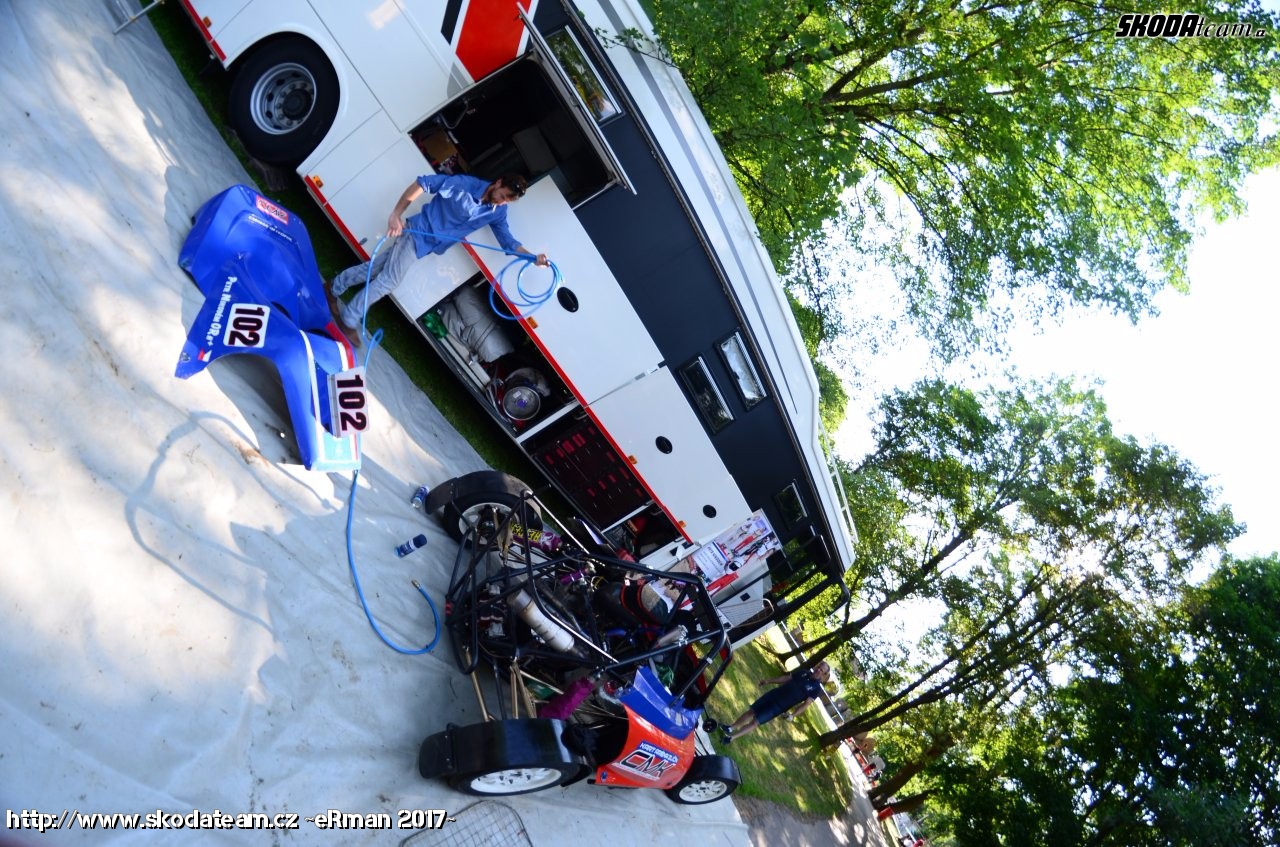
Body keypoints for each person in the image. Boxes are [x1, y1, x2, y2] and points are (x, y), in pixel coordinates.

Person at [328, 172, 550, 334]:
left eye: (506, 200)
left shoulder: (497, 212)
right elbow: (422, 183)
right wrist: (396, 214)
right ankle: (348, 319)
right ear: (498, 182)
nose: (501, 202)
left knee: (374, 269)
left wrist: (532, 257)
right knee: (389, 281)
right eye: (502, 195)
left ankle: (334, 287)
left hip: (427, 246)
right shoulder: (463, 184)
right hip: (416, 233)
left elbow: (508, 241)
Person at [721, 661, 831, 743]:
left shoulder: (816, 689)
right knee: (751, 711)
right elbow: (786, 678)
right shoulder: (804, 672)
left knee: (756, 722)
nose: (818, 670)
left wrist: (793, 715)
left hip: (778, 707)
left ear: (823, 675)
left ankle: (731, 737)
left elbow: (806, 704)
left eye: (822, 670)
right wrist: (769, 681)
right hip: (773, 695)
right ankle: (730, 727)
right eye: (819, 667)